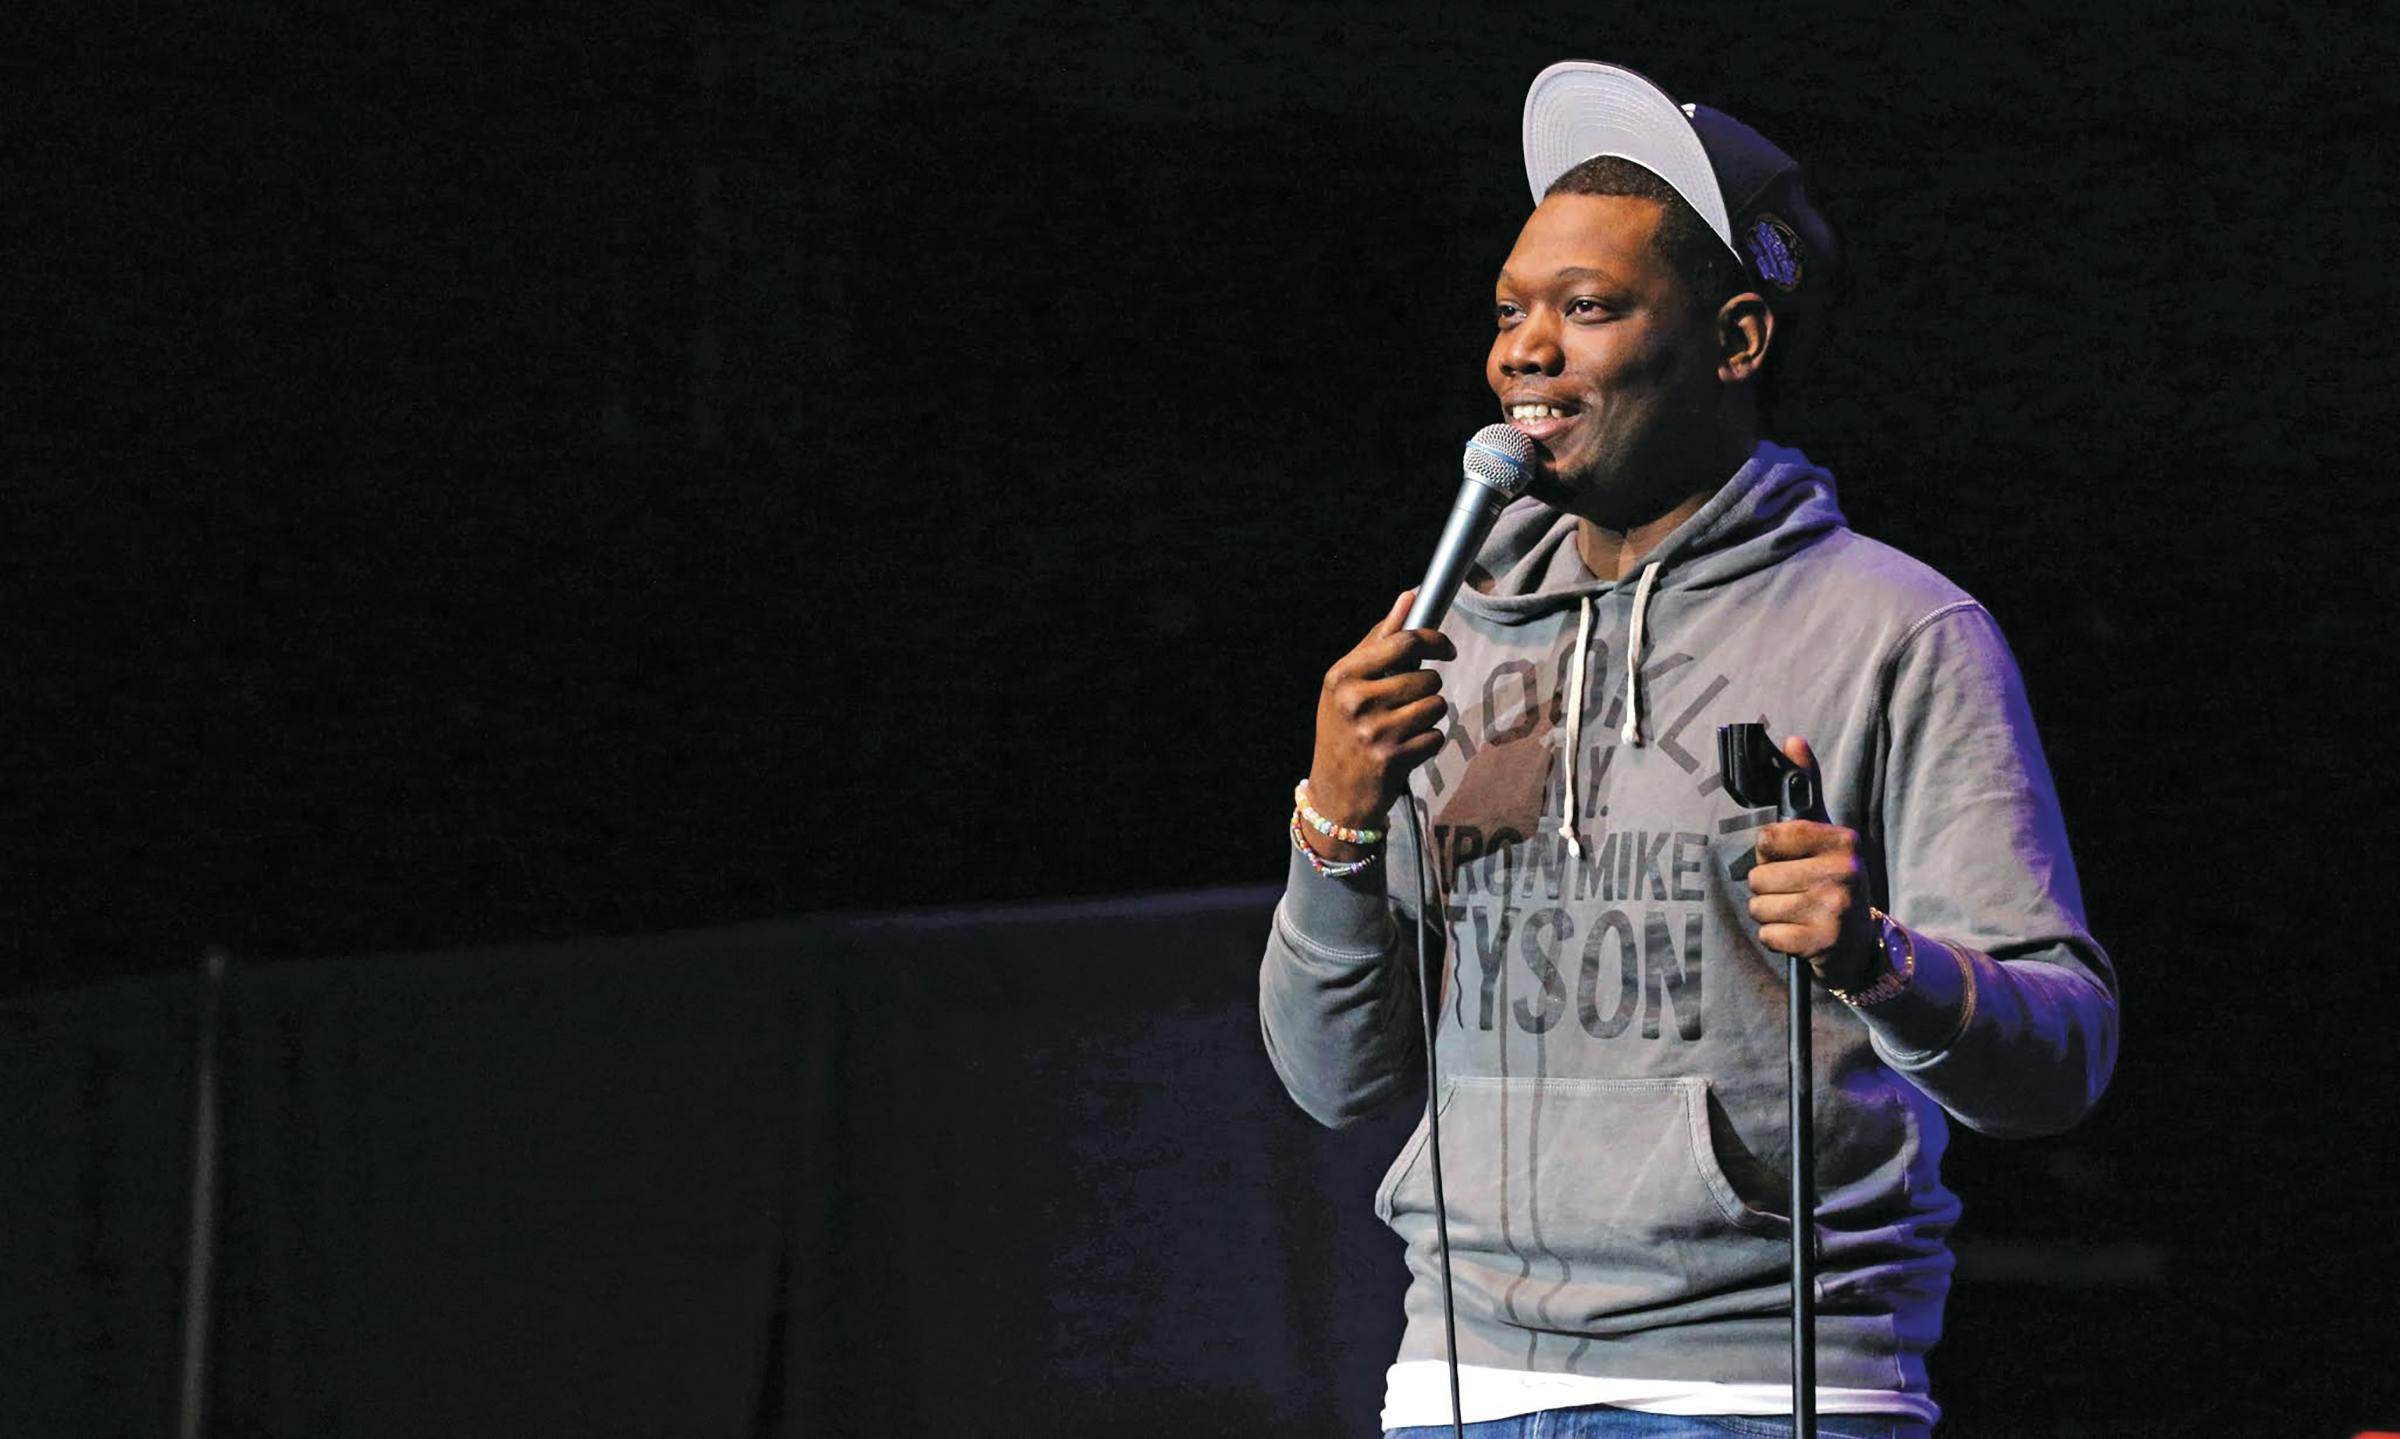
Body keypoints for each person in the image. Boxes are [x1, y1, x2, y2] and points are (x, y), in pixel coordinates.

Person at [1258, 61, 2119, 1438]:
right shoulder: (1455, 642)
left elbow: (2063, 1053)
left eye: (1587, 309)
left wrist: (1877, 960)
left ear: (1736, 341)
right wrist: (1335, 822)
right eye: (1509, 314)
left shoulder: (1898, 631)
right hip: (1459, 1384)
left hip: (1762, 1390)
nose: (1522, 351)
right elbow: (1334, 1080)